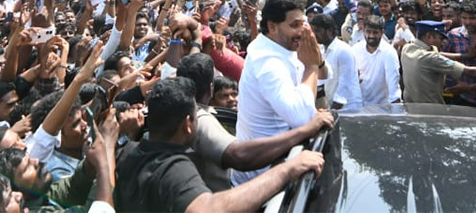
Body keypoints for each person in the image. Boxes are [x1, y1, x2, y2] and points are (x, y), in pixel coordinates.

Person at [114, 77, 325, 212]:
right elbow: (209, 208)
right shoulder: (175, 168)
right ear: (188, 124)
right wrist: (288, 169)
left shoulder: (127, 153)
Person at [177, 53, 333, 191]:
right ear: (211, 89)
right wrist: (306, 130)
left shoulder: (180, 111)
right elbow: (239, 155)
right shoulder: (200, 120)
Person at [234, 0, 321, 185]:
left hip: (281, 160)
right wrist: (312, 67)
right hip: (262, 178)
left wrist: (316, 63)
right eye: (294, 25)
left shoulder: (281, 45)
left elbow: (323, 75)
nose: (302, 31)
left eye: (303, 23)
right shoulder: (267, 62)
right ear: (272, 26)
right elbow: (300, 117)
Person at [401, 21, 476, 104]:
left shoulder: (408, 47)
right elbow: (469, 71)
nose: (443, 42)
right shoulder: (430, 58)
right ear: (429, 36)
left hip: (411, 107)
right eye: (441, 38)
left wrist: (467, 55)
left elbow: (440, 55)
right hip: (430, 110)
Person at [352, 16, 401, 106]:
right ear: (363, 31)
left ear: (382, 32)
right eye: (368, 32)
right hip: (359, 108)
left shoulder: (389, 53)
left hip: (381, 110)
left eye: (375, 33)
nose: (371, 36)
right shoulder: (355, 50)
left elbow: (393, 86)